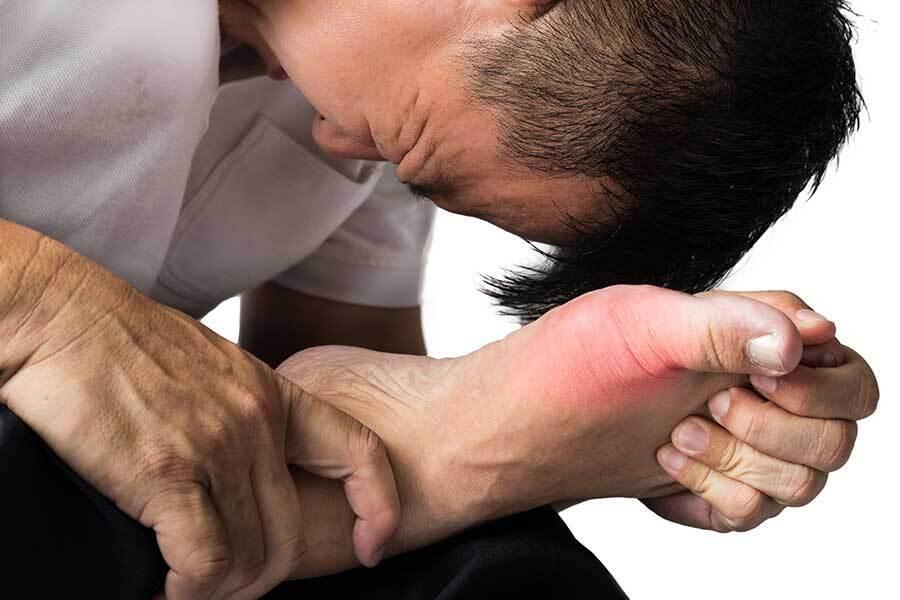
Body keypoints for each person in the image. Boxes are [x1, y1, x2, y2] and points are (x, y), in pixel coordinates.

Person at [0, 1, 877, 599]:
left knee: (481, 565)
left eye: (408, 172)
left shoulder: (344, 98)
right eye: (412, 154)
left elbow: (323, 411)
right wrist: (48, 305)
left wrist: (621, 437)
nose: (337, 141)